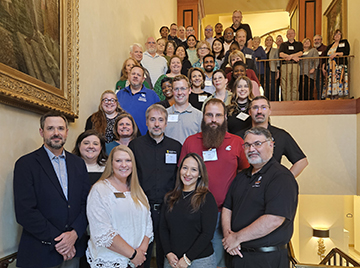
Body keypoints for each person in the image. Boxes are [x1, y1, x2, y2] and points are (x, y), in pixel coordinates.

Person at [14, 112, 90, 268]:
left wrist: (74, 234)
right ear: (42, 132)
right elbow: (25, 212)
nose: (56, 133)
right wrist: (61, 241)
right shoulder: (25, 164)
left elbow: (86, 204)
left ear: (67, 132)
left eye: (61, 128)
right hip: (40, 252)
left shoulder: (78, 164)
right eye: (50, 128)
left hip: (75, 250)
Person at [179, 98, 249, 268]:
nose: (213, 120)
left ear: (225, 117)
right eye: (209, 115)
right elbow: (181, 175)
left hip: (223, 217)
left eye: (218, 115)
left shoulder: (237, 142)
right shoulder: (190, 141)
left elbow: (245, 174)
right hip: (192, 214)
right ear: (203, 117)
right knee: (190, 261)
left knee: (217, 263)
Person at [222, 127, 298, 268]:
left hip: (266, 259)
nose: (251, 149)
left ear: (271, 144)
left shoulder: (281, 177)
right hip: (236, 255)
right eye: (247, 145)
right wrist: (229, 237)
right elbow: (227, 207)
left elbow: (274, 219)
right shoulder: (241, 177)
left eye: (257, 144)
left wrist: (236, 238)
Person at [129, 104, 182, 268]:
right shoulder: (135, 146)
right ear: (146, 122)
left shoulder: (176, 147)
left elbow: (180, 178)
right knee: (141, 252)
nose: (157, 124)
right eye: (153, 120)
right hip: (142, 208)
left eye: (160, 120)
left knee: (166, 251)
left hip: (168, 208)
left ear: (166, 123)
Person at [86, 145, 153, 268]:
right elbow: (103, 232)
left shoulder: (137, 190)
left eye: (128, 160)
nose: (124, 165)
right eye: (118, 161)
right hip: (112, 262)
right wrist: (133, 254)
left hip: (137, 261)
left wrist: (141, 252)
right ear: (111, 164)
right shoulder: (100, 190)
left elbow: (147, 223)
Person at [160, 153, 218, 268]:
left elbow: (207, 234)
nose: (187, 173)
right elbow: (163, 228)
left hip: (200, 261)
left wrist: (187, 258)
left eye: (193, 170)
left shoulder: (207, 198)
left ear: (200, 174)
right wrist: (168, 252)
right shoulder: (170, 197)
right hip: (173, 260)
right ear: (180, 170)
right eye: (185, 168)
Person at [237, 96, 308, 178]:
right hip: (246, 184)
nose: (259, 111)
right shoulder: (239, 136)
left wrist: (285, 179)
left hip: (270, 184)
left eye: (263, 107)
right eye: (255, 108)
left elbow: (302, 161)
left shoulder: (281, 135)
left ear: (269, 111)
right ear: (249, 112)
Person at [117, 65, 160, 135]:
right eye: (133, 74)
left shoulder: (152, 95)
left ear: (143, 79)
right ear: (128, 76)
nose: (135, 76)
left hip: (145, 137)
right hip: (123, 137)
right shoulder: (120, 94)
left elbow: (158, 115)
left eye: (138, 75)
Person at [165, 75, 202, 144]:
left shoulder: (199, 115)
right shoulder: (165, 114)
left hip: (190, 154)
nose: (179, 93)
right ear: (172, 91)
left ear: (190, 90)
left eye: (183, 88)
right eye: (176, 89)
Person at [321, 29, 350, 99]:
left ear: (341, 36)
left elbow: (346, 52)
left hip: (339, 66)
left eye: (339, 34)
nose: (337, 36)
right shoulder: (330, 46)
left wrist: (336, 54)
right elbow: (324, 57)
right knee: (331, 84)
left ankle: (338, 99)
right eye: (335, 34)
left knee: (338, 83)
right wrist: (323, 68)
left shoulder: (344, 42)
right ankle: (332, 99)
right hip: (330, 68)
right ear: (333, 36)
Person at [279, 29, 304, 101]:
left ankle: (295, 102)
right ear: (286, 36)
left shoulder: (299, 44)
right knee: (285, 85)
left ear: (294, 34)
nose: (290, 35)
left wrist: (290, 56)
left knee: (295, 85)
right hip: (285, 66)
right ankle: (287, 102)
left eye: (291, 33)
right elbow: (281, 54)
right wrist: (293, 57)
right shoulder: (283, 44)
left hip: (295, 65)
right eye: (288, 34)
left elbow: (300, 53)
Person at [264, 35, 280, 101]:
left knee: (273, 86)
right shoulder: (263, 50)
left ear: (272, 42)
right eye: (267, 40)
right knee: (266, 85)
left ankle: (274, 101)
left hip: (272, 69)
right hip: (264, 70)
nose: (269, 41)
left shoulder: (275, 50)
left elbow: (277, 60)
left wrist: (278, 71)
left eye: (270, 40)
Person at [313, 34, 327, 100]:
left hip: (320, 69)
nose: (316, 41)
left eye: (318, 39)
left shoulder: (325, 48)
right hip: (313, 70)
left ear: (321, 40)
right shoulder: (312, 49)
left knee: (320, 86)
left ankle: (320, 100)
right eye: (315, 40)